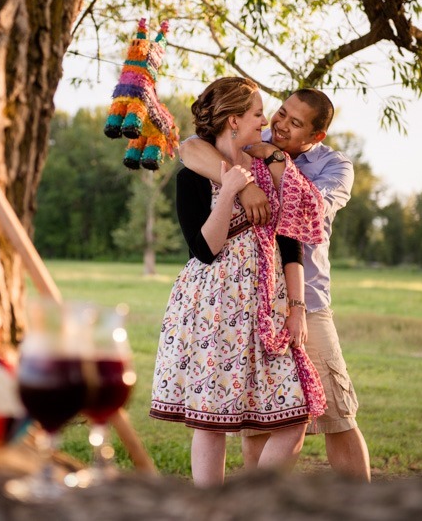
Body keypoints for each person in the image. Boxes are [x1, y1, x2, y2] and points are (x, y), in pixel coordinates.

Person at [180, 87, 372, 482]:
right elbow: (190, 148)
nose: (279, 124)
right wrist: (245, 183)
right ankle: (258, 506)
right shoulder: (255, 144)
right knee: (259, 422)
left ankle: (363, 504)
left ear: (315, 136)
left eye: (294, 123)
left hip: (307, 299)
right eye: (281, 112)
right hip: (251, 304)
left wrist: (276, 162)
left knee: (336, 413)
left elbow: (307, 211)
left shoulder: (334, 166)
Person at [149, 77, 326, 487]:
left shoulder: (269, 165)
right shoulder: (192, 176)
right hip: (211, 308)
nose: (266, 121)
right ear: (234, 120)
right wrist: (229, 191)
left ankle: (250, 504)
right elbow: (203, 250)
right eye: (258, 114)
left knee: (294, 417)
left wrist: (296, 309)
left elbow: (291, 242)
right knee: (211, 422)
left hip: (266, 304)